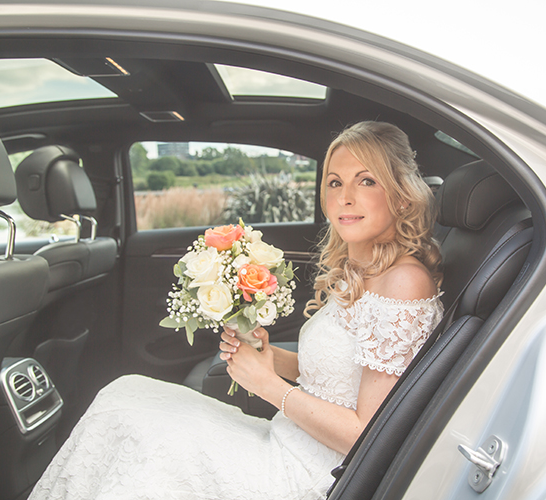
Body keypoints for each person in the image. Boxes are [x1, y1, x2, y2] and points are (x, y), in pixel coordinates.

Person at [28, 121, 444, 500]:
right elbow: (346, 376)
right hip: (288, 440)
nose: (345, 197)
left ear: (402, 197)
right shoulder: (364, 269)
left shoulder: (403, 283)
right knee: (124, 395)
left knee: (141, 429)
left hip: (310, 475)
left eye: (366, 180)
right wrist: (272, 358)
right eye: (334, 182)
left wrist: (268, 386)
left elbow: (367, 436)